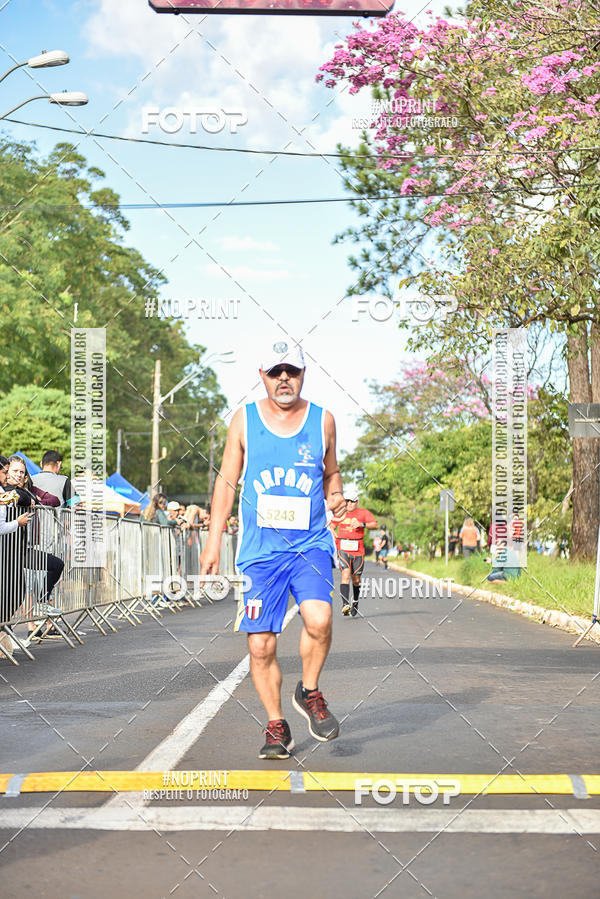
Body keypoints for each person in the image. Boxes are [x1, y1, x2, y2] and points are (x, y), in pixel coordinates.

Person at [201, 340, 345, 760]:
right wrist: (213, 539)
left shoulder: (323, 421)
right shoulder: (243, 421)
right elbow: (227, 482)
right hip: (260, 552)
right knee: (260, 645)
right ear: (261, 375)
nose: (285, 378)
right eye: (275, 371)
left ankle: (310, 690)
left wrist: (335, 495)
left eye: (292, 371)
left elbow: (332, 474)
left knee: (319, 618)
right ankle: (277, 725)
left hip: (310, 544)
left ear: (304, 374)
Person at [331, 497, 377, 617]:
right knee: (345, 575)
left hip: (358, 550)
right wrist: (333, 533)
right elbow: (331, 525)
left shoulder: (363, 513)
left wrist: (362, 524)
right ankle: (345, 604)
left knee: (356, 579)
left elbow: (374, 525)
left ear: (357, 502)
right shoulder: (340, 512)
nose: (349, 504)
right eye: (347, 501)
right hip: (343, 549)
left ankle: (355, 601)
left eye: (352, 501)